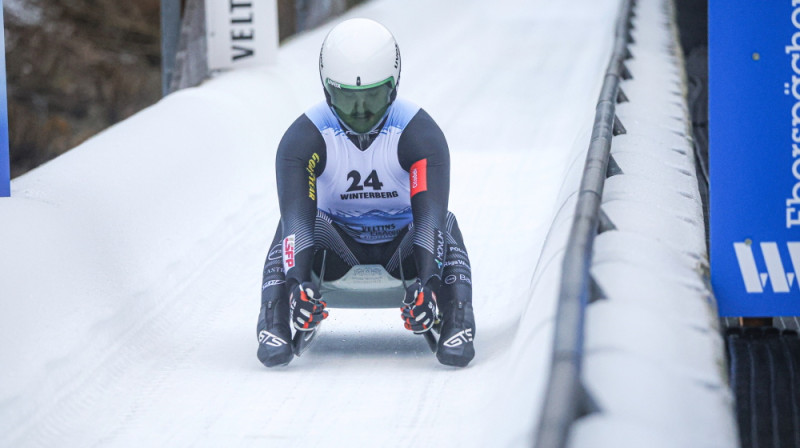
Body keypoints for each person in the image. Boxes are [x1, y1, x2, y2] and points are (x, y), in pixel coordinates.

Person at [256, 18, 475, 368]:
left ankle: (457, 318)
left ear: (393, 87)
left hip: (405, 252)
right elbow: (297, 219)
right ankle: (275, 316)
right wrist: (297, 284)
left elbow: (430, 218)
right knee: (288, 226)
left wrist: (429, 286)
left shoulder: (420, 134)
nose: (360, 113)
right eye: (346, 99)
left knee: (446, 223)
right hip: (334, 250)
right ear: (328, 89)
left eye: (372, 98)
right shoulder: (303, 138)